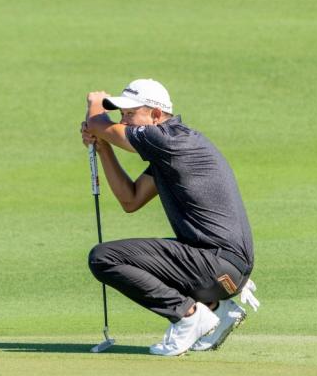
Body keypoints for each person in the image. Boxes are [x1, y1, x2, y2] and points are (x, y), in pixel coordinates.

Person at [81, 79, 258, 356]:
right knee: (124, 257)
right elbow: (131, 199)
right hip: (223, 268)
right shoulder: (170, 149)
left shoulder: (167, 138)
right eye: (121, 115)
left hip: (218, 264)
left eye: (130, 114)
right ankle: (215, 310)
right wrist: (103, 147)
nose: (124, 122)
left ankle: (188, 315)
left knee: (104, 258)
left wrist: (94, 105)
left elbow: (97, 123)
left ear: (155, 114)